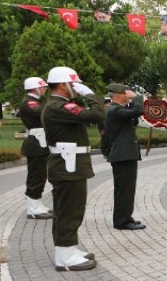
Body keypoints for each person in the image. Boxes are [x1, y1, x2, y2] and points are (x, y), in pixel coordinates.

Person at [41, 66, 105, 272]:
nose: (77, 89)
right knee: (69, 211)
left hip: (70, 164)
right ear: (62, 85)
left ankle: (67, 249)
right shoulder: (58, 107)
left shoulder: (60, 106)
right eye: (74, 84)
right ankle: (65, 257)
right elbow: (96, 114)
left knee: (68, 210)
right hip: (68, 166)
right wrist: (91, 95)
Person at [105, 84, 146, 230]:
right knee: (124, 190)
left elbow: (133, 116)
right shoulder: (114, 109)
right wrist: (137, 98)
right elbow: (138, 110)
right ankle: (122, 221)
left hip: (125, 155)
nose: (129, 94)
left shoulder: (118, 109)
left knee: (126, 190)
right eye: (125, 92)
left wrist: (132, 102)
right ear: (117, 95)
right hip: (122, 156)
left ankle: (125, 217)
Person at [19, 76, 53, 220]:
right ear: (35, 88)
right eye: (43, 86)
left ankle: (37, 204)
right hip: (36, 143)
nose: (45, 89)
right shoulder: (30, 102)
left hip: (41, 141)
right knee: (36, 175)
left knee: (41, 174)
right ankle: (33, 208)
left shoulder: (36, 101)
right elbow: (43, 112)